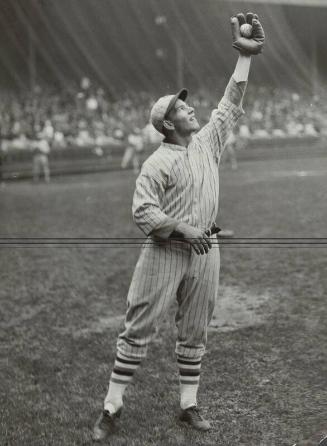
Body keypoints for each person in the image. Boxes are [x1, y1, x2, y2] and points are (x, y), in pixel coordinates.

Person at [93, 12, 265, 441]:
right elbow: (142, 211)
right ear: (168, 123)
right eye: (181, 108)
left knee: (196, 328)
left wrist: (244, 59)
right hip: (165, 252)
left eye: (187, 104)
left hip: (207, 252)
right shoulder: (157, 162)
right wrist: (185, 229)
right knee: (139, 326)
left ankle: (188, 404)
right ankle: (111, 407)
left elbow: (230, 103)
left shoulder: (207, 142)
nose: (190, 108)